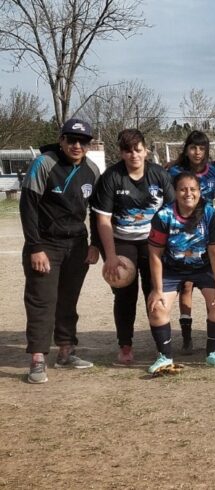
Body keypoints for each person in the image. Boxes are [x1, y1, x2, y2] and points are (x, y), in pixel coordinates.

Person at [20, 118, 100, 384]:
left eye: (83, 141)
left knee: (68, 300)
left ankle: (66, 351)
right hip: (46, 244)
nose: (77, 145)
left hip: (77, 245)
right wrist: (35, 247)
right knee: (42, 301)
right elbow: (28, 207)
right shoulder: (44, 163)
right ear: (61, 140)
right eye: (71, 140)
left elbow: (97, 212)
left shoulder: (92, 170)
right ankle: (37, 358)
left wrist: (95, 244)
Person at [92, 129, 175, 364]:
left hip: (153, 243)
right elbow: (103, 219)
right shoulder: (111, 177)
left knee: (155, 291)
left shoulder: (159, 175)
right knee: (124, 295)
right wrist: (110, 256)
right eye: (128, 151)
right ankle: (125, 345)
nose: (134, 155)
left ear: (145, 150)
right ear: (121, 153)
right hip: (122, 241)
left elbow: (172, 213)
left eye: (138, 150)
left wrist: (170, 247)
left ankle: (161, 346)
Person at [146, 172, 215, 373]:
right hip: (172, 269)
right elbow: (155, 254)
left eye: (193, 189)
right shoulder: (163, 215)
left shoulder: (210, 214)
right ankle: (164, 357)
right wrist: (157, 289)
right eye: (183, 189)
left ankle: (213, 354)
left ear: (200, 192)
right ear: (175, 192)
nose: (188, 193)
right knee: (157, 306)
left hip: (204, 268)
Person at [167, 130, 215, 354]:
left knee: (212, 284)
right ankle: (187, 337)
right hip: (181, 232)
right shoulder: (174, 172)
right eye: (193, 147)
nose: (197, 152)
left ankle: (214, 339)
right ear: (186, 149)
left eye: (201, 148)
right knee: (186, 286)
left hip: (207, 231)